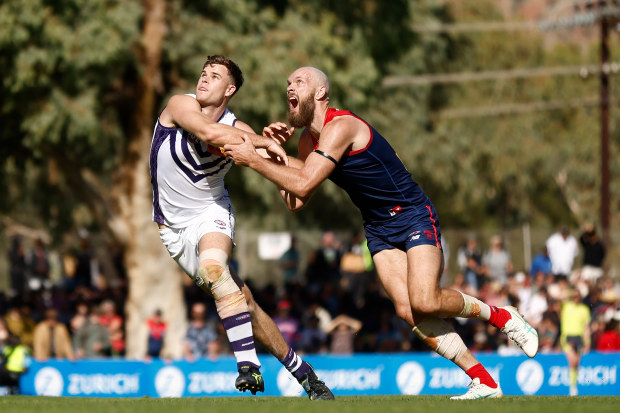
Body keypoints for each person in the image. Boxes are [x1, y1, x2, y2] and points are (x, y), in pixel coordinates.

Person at [224, 66, 539, 399]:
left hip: (413, 214)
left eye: (299, 82)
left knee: (426, 300)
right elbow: (295, 200)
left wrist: (255, 161)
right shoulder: (307, 141)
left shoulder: (341, 126)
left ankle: (503, 315)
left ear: (320, 93)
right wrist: (273, 153)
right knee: (407, 310)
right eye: (288, 83)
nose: (290, 87)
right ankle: (484, 380)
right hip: (377, 227)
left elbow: (303, 181)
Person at [149, 55, 333, 399]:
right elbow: (206, 131)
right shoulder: (179, 104)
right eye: (203, 72)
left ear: (229, 89)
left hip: (211, 212)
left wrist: (318, 164)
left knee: (215, 271)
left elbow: (294, 195)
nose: (204, 79)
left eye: (214, 76)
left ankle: (248, 367)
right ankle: (306, 375)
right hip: (172, 229)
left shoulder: (241, 130)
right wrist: (262, 141)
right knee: (242, 301)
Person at [560, 289, 591, 396]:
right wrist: (570, 292)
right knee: (572, 361)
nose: (576, 298)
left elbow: (586, 327)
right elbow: (560, 297)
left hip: (579, 338)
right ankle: (572, 388)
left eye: (578, 296)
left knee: (576, 363)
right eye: (574, 296)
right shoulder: (566, 306)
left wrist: (587, 342)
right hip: (568, 337)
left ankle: (574, 386)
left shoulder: (584, 309)